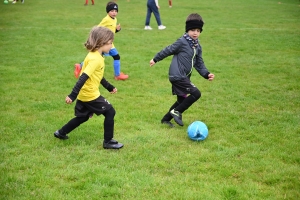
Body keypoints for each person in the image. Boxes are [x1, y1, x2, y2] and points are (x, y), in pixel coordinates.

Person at [54, 26, 124, 149]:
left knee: (82, 117)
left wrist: (109, 87)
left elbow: (97, 76)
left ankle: (61, 132)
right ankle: (108, 141)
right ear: (102, 43)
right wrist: (72, 95)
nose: (112, 46)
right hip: (90, 94)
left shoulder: (93, 55)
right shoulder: (95, 59)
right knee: (110, 111)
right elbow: (83, 77)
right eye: (110, 43)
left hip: (84, 93)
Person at [149, 13, 215, 127]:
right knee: (196, 93)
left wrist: (207, 74)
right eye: (193, 30)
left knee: (181, 100)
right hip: (177, 76)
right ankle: (177, 111)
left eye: (198, 30)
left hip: (183, 76)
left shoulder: (197, 46)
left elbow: (199, 63)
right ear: (187, 30)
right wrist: (155, 59)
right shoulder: (182, 42)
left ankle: (165, 119)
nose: (195, 33)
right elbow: (168, 50)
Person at [75, 1, 129, 81]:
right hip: (104, 44)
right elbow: (98, 29)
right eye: (112, 11)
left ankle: (80, 66)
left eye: (115, 11)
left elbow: (111, 30)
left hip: (109, 43)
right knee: (112, 57)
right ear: (108, 12)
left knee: (108, 57)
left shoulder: (114, 19)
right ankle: (117, 75)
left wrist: (117, 30)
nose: (114, 13)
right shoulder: (106, 19)